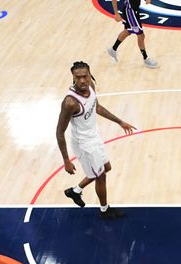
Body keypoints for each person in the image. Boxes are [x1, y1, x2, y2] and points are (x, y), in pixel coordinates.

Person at [57, 61, 136, 219]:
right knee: (101, 176)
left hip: (94, 137)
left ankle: (76, 191)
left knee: (106, 167)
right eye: (78, 77)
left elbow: (97, 107)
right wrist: (66, 159)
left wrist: (120, 121)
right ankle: (105, 210)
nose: (82, 81)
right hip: (84, 144)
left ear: (89, 74)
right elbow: (59, 132)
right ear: (73, 77)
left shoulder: (91, 86)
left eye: (85, 76)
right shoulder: (70, 102)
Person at [106, 0, 159, 69]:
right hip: (130, 12)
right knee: (141, 35)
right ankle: (146, 59)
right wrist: (116, 13)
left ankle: (113, 49)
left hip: (133, 10)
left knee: (128, 31)